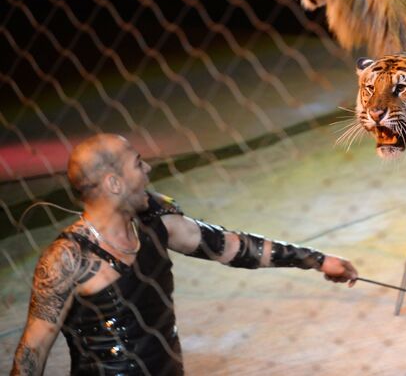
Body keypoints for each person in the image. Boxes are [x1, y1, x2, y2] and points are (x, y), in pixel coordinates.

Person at [10, 134, 358, 375]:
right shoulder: (66, 259)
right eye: (138, 163)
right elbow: (32, 352)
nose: (148, 170)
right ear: (115, 183)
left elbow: (234, 246)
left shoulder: (156, 225)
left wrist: (316, 260)